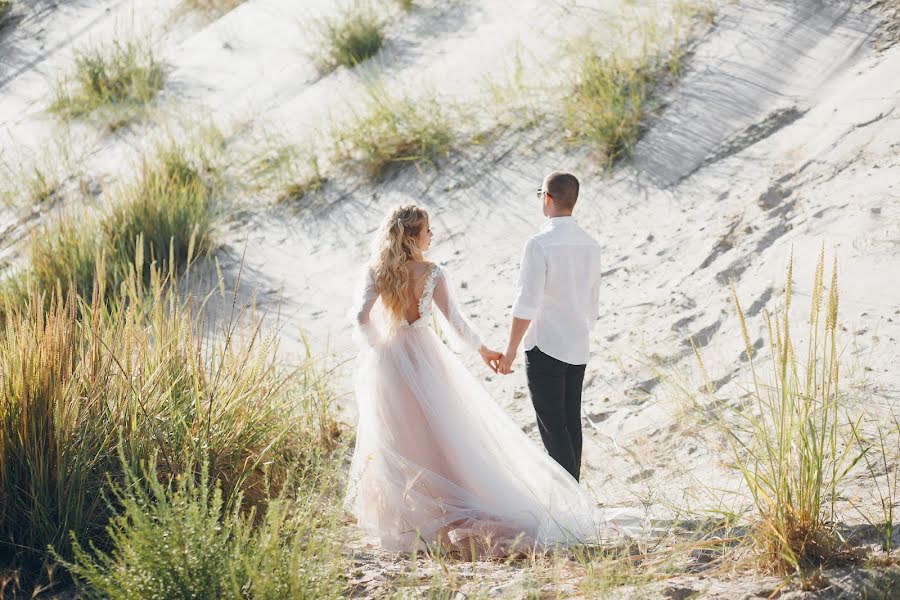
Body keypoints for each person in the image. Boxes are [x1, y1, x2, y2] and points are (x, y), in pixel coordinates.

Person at [345, 203, 642, 558]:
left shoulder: (376, 271)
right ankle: (449, 510)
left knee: (399, 436)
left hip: (391, 362)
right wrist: (485, 351)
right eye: (427, 230)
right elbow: (455, 321)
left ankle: (413, 521)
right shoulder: (432, 273)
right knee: (443, 433)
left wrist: (382, 348)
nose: (431, 235)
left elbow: (361, 317)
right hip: (426, 358)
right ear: (413, 235)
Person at [498, 171, 600, 482]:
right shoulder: (590, 244)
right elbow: (592, 301)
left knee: (553, 426)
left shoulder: (539, 243)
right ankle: (575, 493)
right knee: (571, 423)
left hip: (545, 345)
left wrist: (510, 350)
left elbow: (526, 301)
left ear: (547, 198)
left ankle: (571, 504)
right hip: (577, 343)